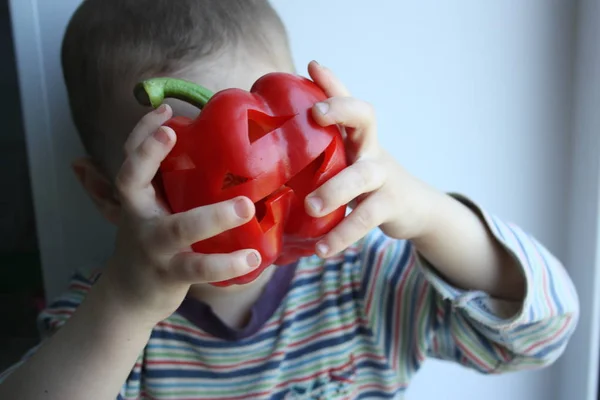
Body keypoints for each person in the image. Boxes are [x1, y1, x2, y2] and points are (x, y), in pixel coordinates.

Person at [0, 1, 579, 399]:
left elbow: (544, 334)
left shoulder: (365, 279)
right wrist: (126, 304)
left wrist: (424, 210)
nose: (253, 194)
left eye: (275, 142)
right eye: (192, 170)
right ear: (106, 192)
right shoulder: (107, 319)